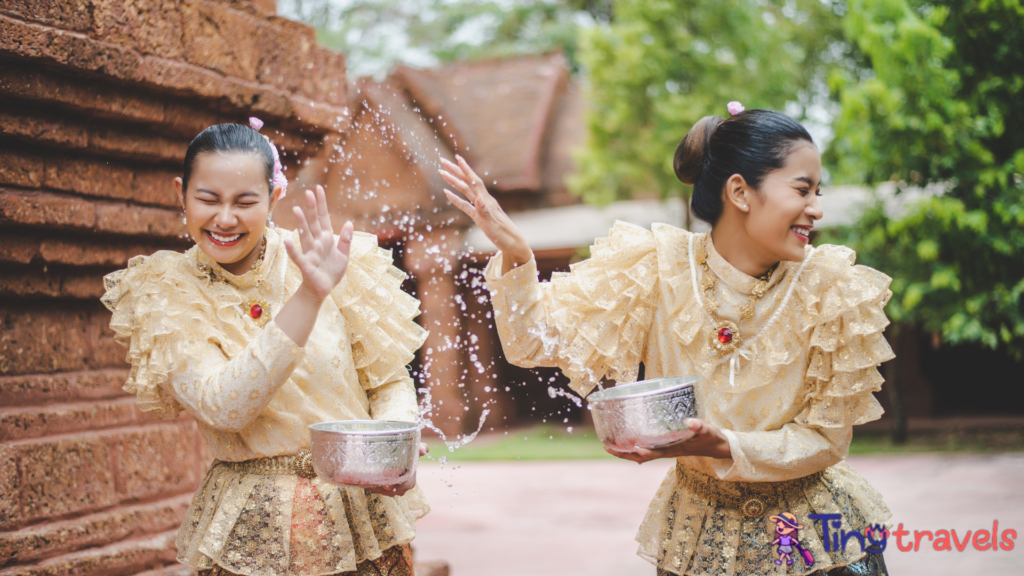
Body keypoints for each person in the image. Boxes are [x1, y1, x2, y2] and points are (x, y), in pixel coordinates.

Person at [441, 105, 893, 576]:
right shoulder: (655, 267)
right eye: (803, 190)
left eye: (819, 192)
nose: (817, 208)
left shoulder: (831, 286)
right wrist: (516, 254)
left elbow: (826, 440)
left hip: (817, 543)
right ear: (739, 191)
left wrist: (726, 445)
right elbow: (534, 343)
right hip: (700, 542)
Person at [102, 121, 428, 576]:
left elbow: (388, 378)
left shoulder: (328, 258)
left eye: (245, 201)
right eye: (208, 199)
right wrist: (309, 298)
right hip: (251, 528)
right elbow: (224, 407)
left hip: (361, 518)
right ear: (181, 193)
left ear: (275, 197)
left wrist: (393, 451)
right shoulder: (166, 290)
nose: (225, 219)